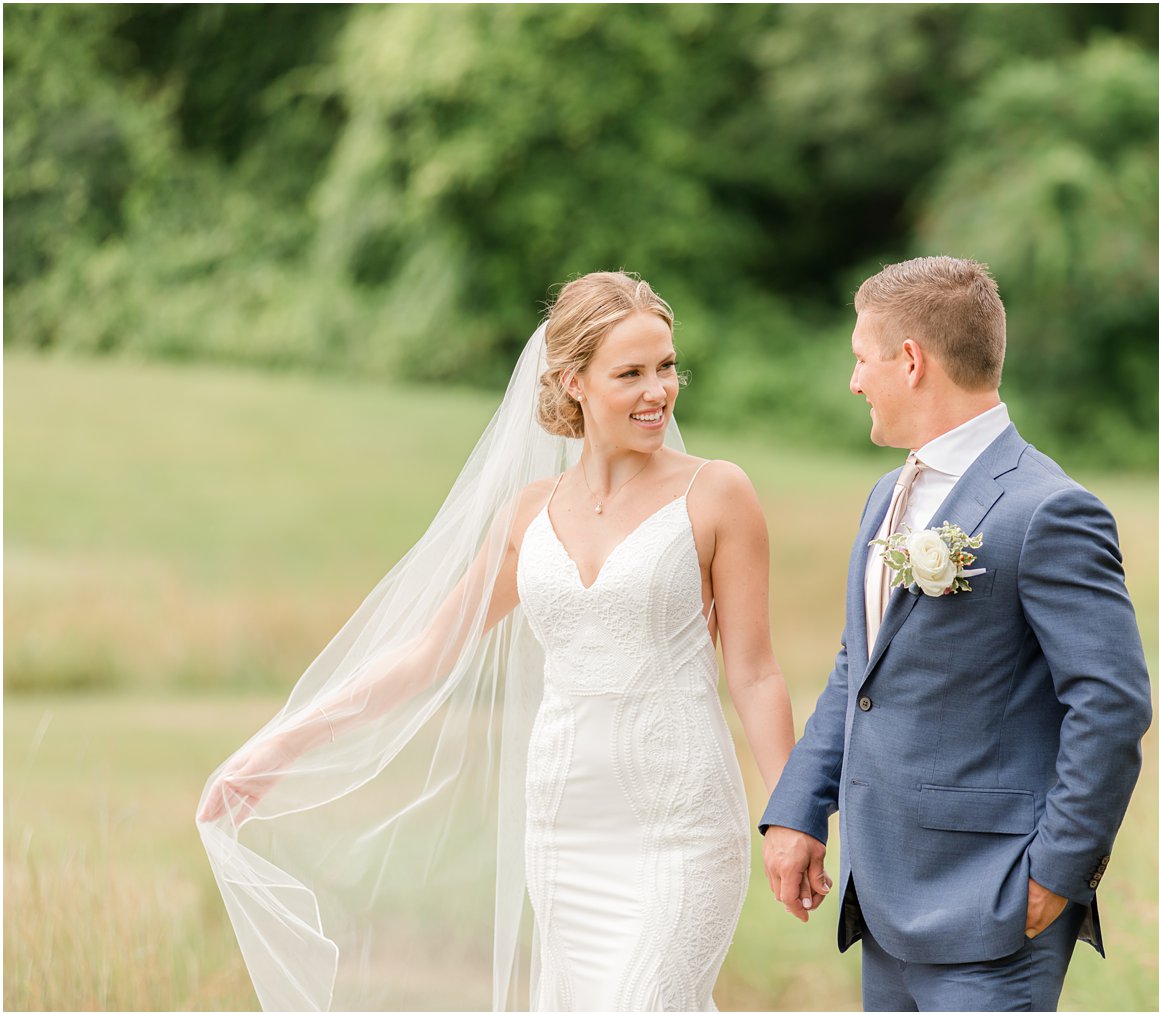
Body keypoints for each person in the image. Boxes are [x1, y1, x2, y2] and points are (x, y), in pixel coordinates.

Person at [196, 271, 796, 1012]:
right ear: (573, 381)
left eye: (667, 366)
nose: (659, 391)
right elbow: (426, 654)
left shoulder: (717, 493)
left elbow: (757, 672)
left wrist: (790, 812)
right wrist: (278, 746)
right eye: (631, 372)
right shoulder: (527, 515)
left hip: (682, 823)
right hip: (566, 825)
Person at [759, 256, 1152, 1012]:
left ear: (910, 362)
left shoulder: (1048, 510)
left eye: (860, 358)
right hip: (884, 901)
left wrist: (1053, 877)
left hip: (994, 910)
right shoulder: (887, 494)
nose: (853, 381)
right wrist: (800, 806)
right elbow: (860, 668)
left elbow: (1111, 705)